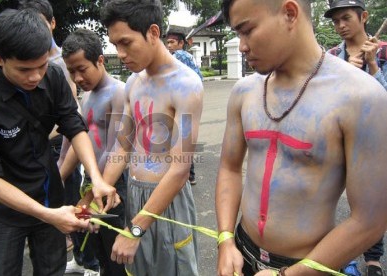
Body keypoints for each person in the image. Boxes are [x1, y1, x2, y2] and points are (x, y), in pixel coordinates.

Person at [216, 0, 387, 276]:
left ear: (289, 13)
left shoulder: (361, 98)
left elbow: (370, 220)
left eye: (247, 30)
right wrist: (225, 240)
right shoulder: (244, 92)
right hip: (240, 253)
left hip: (310, 265)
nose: (242, 46)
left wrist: (290, 275)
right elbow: (229, 167)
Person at [0, 9, 119, 275]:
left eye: (41, 66)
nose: (34, 77)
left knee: (52, 270)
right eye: (24, 69)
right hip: (5, 211)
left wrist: (96, 177)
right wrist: (49, 215)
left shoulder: (53, 77)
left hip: (50, 197)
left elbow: (74, 126)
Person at [100, 0, 204, 275]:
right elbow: (123, 146)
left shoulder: (186, 85)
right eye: (115, 45)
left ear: (153, 33)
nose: (120, 54)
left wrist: (135, 228)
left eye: (126, 43)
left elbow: (180, 169)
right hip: (135, 193)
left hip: (167, 200)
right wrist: (96, 192)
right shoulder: (134, 83)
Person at [324, 1, 387, 275]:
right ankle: (335, 252)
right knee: (330, 195)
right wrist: (345, 72)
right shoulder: (332, 57)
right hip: (339, 140)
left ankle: (373, 258)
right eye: (336, 21)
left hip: (374, 140)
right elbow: (325, 101)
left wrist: (373, 64)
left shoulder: (383, 53)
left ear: (364, 17)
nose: (340, 26)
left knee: (370, 201)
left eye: (346, 18)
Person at [60, 28, 127, 276]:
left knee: (115, 255)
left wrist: (88, 199)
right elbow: (81, 144)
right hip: (91, 184)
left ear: (100, 60)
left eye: (82, 69)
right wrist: (59, 177)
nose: (77, 78)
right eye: (71, 71)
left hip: (112, 187)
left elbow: (116, 149)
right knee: (99, 251)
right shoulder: (87, 95)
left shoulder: (118, 92)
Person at [17, 0, 82, 254]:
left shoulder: (62, 62)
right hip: (32, 144)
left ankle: (71, 249)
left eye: (40, 22)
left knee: (66, 200)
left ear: (52, 23)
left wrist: (67, 159)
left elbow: (72, 115)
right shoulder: (22, 59)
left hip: (60, 143)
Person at [165, 29, 203, 185]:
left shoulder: (178, 56)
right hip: (191, 100)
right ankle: (190, 174)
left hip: (179, 101)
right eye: (167, 42)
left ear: (181, 43)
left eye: (172, 42)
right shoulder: (189, 57)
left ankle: (186, 175)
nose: (169, 45)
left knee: (178, 140)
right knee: (185, 139)